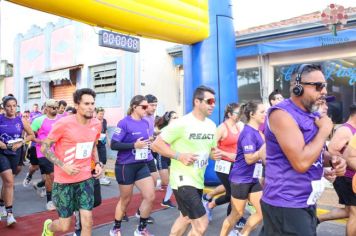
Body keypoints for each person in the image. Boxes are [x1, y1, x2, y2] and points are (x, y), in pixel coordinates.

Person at [259, 64, 346, 236]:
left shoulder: (312, 114)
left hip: (304, 201)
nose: (324, 91)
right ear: (297, 88)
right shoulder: (282, 115)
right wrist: (324, 131)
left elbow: (314, 152)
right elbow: (300, 162)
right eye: (318, 86)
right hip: (286, 203)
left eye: (325, 86)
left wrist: (332, 160)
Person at [152, 85, 222, 236]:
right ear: (197, 101)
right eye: (209, 101)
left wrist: (213, 155)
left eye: (214, 101)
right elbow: (156, 144)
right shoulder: (182, 123)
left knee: (185, 218)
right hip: (182, 180)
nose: (213, 105)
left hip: (198, 179)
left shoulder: (211, 125)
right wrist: (179, 156)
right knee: (202, 223)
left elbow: (209, 151)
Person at [40, 88, 103, 236]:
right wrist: (63, 166)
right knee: (64, 226)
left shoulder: (96, 124)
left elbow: (93, 146)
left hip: (86, 179)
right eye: (86, 103)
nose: (91, 107)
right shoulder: (64, 123)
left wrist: (98, 163)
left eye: (92, 103)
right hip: (64, 182)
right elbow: (44, 147)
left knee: (88, 220)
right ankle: (48, 228)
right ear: (76, 105)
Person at [109, 95, 156, 236]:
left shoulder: (145, 123)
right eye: (144, 106)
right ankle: (115, 228)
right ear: (135, 107)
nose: (147, 109)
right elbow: (114, 144)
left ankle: (141, 229)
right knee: (125, 200)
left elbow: (143, 142)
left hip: (141, 164)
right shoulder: (124, 123)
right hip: (125, 165)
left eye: (148, 106)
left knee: (150, 196)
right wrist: (134, 145)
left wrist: (149, 143)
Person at [220, 101, 266, 236]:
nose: (265, 114)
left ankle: (243, 234)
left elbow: (262, 156)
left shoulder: (257, 132)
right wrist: (264, 149)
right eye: (262, 112)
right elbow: (250, 158)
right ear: (252, 114)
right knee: (237, 213)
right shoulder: (248, 133)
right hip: (240, 179)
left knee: (262, 211)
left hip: (252, 178)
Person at [202, 103, 247, 228]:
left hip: (237, 164)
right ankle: (234, 220)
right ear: (229, 114)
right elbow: (211, 147)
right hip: (224, 165)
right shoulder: (221, 128)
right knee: (233, 193)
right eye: (238, 113)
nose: (240, 116)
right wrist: (226, 154)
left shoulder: (239, 126)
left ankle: (210, 204)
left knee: (234, 193)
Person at [318, 103, 356, 235]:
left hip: (352, 177)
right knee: (354, 213)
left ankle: (316, 219)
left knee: (349, 211)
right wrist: (347, 161)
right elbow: (332, 151)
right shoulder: (345, 130)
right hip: (345, 177)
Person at [0, 95, 35, 225]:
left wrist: (22, 142)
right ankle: (10, 215)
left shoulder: (21, 120)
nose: (12, 108)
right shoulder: (0, 119)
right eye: (9, 106)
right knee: (9, 181)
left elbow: (31, 135)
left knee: (7, 182)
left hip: (16, 153)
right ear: (4, 107)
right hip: (2, 153)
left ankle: (1, 203)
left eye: (14, 106)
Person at [31, 99, 61, 211]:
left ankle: (40, 185)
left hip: (59, 151)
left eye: (56, 107)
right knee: (51, 175)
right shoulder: (38, 120)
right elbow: (30, 135)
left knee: (57, 176)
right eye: (52, 107)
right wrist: (40, 141)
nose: (55, 109)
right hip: (44, 151)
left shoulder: (61, 119)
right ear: (46, 108)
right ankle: (49, 201)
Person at [154, 111, 179, 208]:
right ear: (169, 119)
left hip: (172, 156)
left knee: (173, 180)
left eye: (177, 117)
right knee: (165, 181)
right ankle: (152, 183)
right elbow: (156, 138)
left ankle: (166, 200)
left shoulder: (178, 129)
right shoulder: (165, 129)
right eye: (174, 118)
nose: (177, 119)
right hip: (163, 156)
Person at [95, 107, 111, 185]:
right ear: (96, 113)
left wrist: (109, 141)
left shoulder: (104, 121)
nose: (102, 115)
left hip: (102, 143)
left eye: (103, 114)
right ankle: (100, 177)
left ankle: (101, 176)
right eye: (100, 114)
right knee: (97, 160)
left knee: (103, 159)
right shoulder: (93, 121)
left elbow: (106, 132)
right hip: (95, 144)